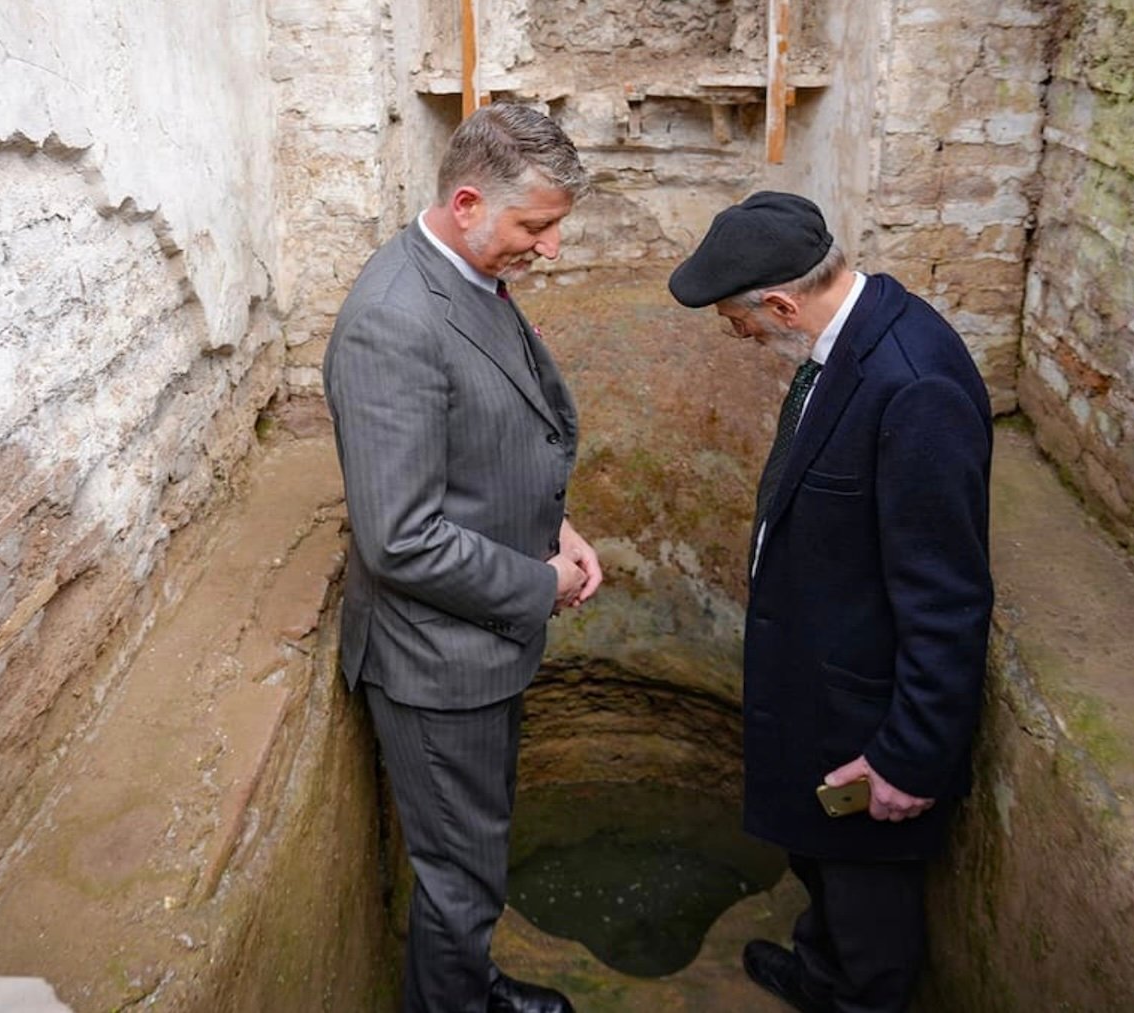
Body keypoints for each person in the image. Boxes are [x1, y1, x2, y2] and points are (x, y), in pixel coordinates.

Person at [667, 192, 994, 1012]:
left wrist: (910, 756)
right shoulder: (842, 341)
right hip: (821, 684)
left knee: (866, 903)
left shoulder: (914, 385)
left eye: (736, 322)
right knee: (820, 868)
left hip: (868, 720)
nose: (738, 338)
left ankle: (857, 996)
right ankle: (821, 976)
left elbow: (948, 596)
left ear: (779, 302)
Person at [322, 104, 601, 1013]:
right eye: (536, 227)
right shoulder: (392, 322)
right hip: (439, 663)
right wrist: (538, 582)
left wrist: (550, 529)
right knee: (459, 875)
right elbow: (399, 535)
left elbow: (490, 436)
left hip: (479, 640)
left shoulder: (465, 274)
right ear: (470, 201)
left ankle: (469, 988)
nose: (551, 248)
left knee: (473, 854)